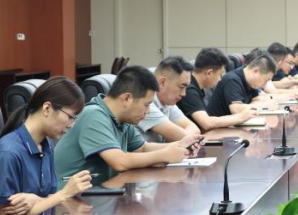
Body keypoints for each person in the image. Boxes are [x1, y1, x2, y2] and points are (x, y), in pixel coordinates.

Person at [53, 66, 199, 186]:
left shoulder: (122, 119)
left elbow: (142, 148)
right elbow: (119, 162)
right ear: (127, 98)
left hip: (100, 193)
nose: (148, 111)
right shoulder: (94, 115)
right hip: (70, 201)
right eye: (146, 105)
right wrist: (165, 155)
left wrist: (180, 146)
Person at [0, 76, 93, 215]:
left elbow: (48, 197)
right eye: (70, 117)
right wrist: (63, 194)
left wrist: (36, 199)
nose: (71, 125)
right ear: (47, 108)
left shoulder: (46, 145)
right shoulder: (7, 154)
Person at [179, 47, 262, 131]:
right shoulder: (189, 90)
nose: (220, 79)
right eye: (220, 74)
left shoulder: (197, 87)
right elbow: (206, 123)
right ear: (209, 73)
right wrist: (241, 117)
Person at [137, 57, 202, 143]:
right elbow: (183, 136)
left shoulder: (167, 100)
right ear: (162, 82)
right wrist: (183, 138)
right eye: (181, 87)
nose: (184, 94)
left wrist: (183, 138)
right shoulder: (144, 103)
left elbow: (194, 128)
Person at [204, 53, 277, 118]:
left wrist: (252, 107)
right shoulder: (232, 80)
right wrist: (264, 105)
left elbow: (257, 100)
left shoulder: (251, 82)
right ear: (255, 71)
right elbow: (236, 109)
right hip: (217, 127)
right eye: (265, 80)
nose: (264, 85)